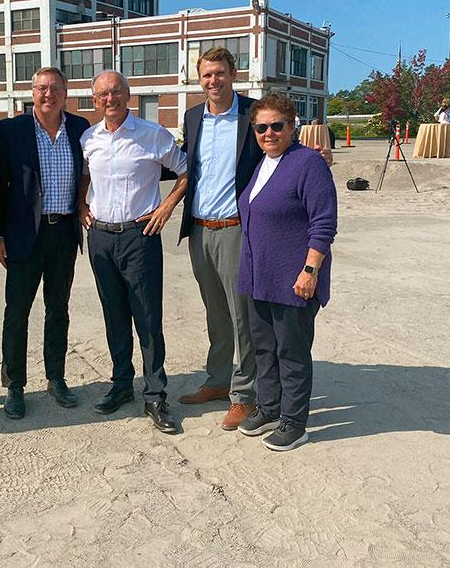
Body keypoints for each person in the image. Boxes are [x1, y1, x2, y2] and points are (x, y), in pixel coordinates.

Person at [176, 47, 332, 432]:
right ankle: (217, 380)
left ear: (233, 74)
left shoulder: (252, 115)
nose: (214, 81)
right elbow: (185, 164)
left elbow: (279, 145)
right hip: (199, 228)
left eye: (220, 73)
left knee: (244, 318)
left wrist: (311, 155)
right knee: (216, 313)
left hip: (236, 230)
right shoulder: (193, 117)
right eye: (207, 75)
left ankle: (244, 396)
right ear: (200, 79)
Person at [79, 70, 188, 433]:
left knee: (146, 316)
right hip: (101, 237)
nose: (109, 99)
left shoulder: (152, 135)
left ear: (128, 96)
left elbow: (186, 171)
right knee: (114, 314)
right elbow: (84, 176)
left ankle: (155, 393)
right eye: (102, 95)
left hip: (139, 237)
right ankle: (121, 383)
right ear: (95, 101)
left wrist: (167, 205)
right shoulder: (88, 138)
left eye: (115, 92)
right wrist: (82, 206)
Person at [236, 93, 337, 451]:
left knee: (291, 353)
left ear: (292, 126)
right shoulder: (262, 163)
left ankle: (295, 422)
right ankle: (269, 407)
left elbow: (323, 223)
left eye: (277, 126)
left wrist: (310, 270)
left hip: (293, 278)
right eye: (262, 127)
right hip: (257, 276)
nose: (269, 133)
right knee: (264, 348)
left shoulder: (308, 164)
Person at [0, 68, 90, 418]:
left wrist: (82, 202)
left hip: (62, 232)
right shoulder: (11, 130)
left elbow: (88, 170)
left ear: (65, 93)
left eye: (55, 88)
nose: (48, 94)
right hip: (23, 235)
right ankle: (15, 386)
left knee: (58, 310)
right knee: (17, 312)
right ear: (31, 92)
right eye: (42, 88)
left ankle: (56, 378)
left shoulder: (80, 129)